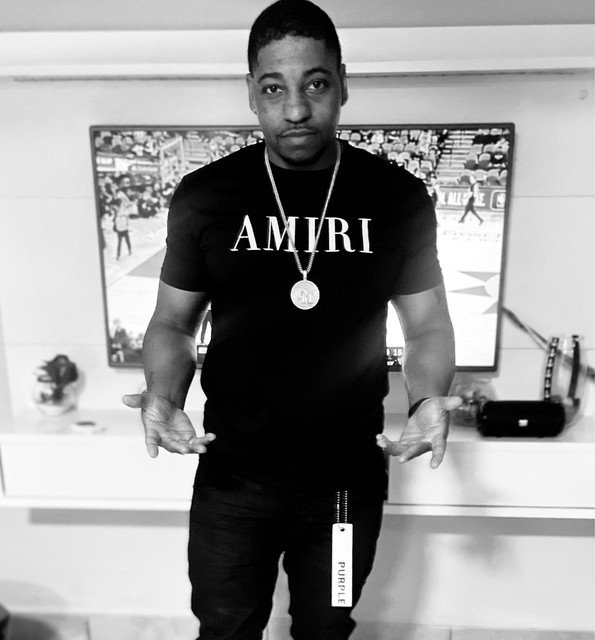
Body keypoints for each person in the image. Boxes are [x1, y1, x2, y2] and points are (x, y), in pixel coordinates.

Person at [123, 1, 462, 638]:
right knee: (225, 629)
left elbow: (427, 326)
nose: (297, 109)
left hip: (345, 484)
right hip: (232, 476)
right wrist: (163, 395)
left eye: (316, 84)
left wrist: (426, 400)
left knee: (326, 628)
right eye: (274, 88)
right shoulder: (207, 196)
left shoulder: (397, 198)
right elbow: (173, 322)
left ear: (343, 84)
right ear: (252, 93)